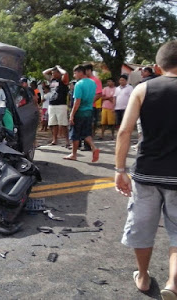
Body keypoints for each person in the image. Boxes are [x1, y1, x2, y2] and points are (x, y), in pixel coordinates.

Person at [115, 40, 177, 299]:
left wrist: (119, 169)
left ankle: (142, 277)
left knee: (142, 227)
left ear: (158, 66)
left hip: (146, 173)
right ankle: (173, 283)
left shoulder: (142, 89)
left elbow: (124, 131)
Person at [63, 64, 99, 162]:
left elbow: (77, 101)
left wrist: (72, 114)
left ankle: (74, 154)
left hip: (80, 112)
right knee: (86, 133)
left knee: (75, 134)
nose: (74, 75)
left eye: (75, 73)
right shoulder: (92, 83)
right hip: (89, 110)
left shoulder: (79, 84)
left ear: (80, 72)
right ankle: (93, 147)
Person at [42, 65, 70, 147]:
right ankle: (55, 140)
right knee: (53, 123)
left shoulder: (63, 80)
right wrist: (53, 68)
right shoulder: (52, 80)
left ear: (59, 73)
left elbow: (65, 74)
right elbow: (44, 73)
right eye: (52, 73)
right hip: (52, 104)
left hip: (61, 104)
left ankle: (67, 141)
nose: (53, 74)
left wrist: (59, 68)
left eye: (54, 73)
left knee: (63, 123)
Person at [84, 63, 103, 138]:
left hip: (92, 106)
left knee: (91, 122)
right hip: (83, 105)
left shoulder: (96, 80)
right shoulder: (84, 80)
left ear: (89, 70)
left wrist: (90, 102)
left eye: (85, 71)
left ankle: (90, 137)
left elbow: (99, 94)